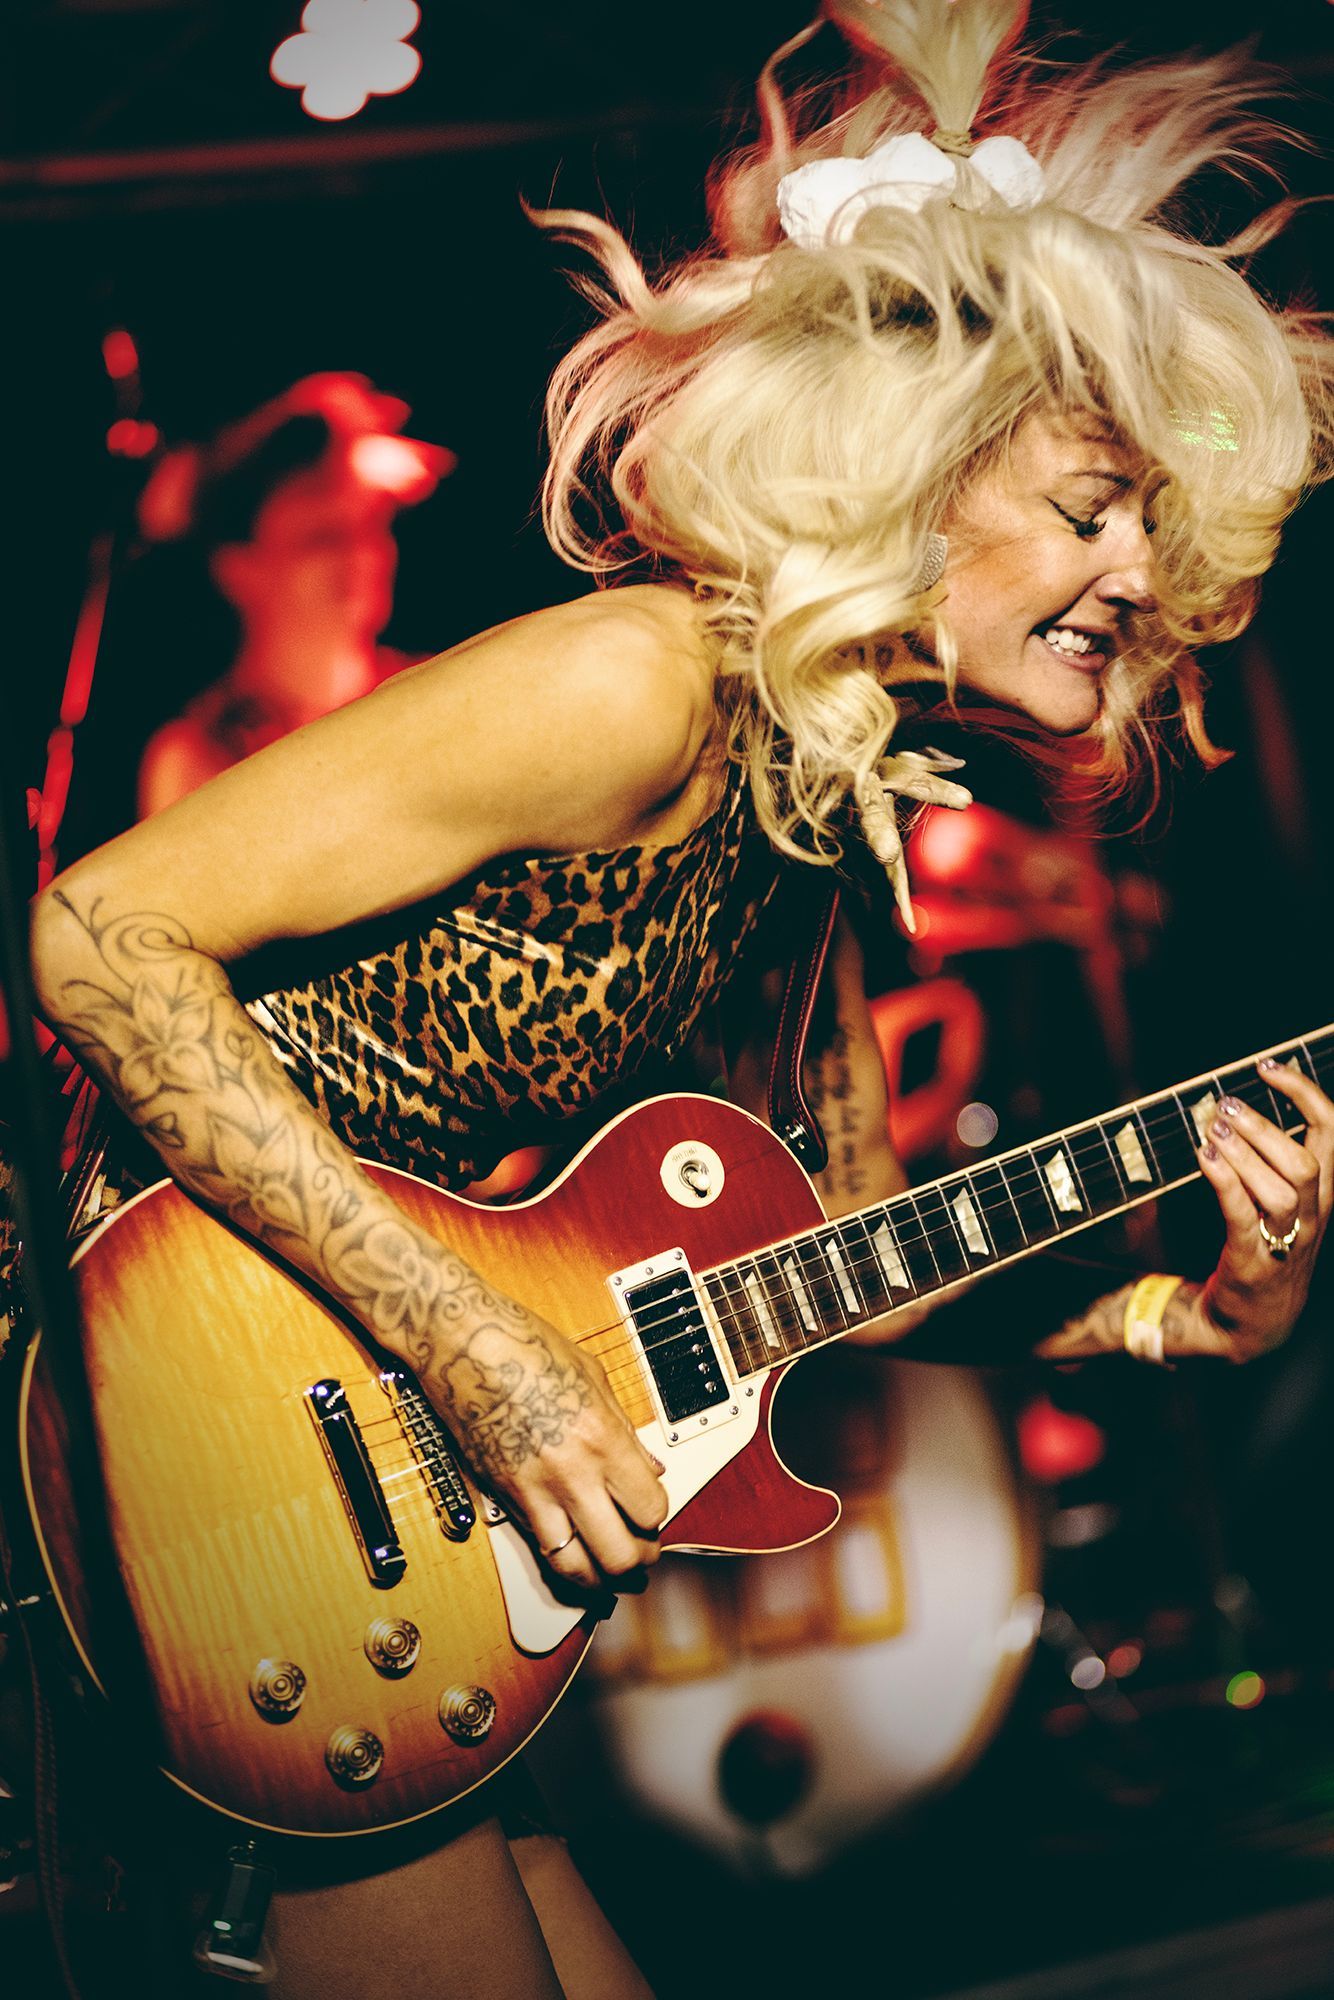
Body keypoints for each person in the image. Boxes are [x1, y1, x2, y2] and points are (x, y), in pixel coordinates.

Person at [26, 2, 1334, 1993]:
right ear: (907, 473)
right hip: (192, 1413)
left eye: (1159, 520)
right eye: (1089, 506)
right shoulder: (637, 679)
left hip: (385, 1505)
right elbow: (94, 938)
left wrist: (1178, 1310)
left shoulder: (822, 797)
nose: (1136, 573)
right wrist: (480, 1352)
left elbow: (860, 1263)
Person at [135, 371, 454, 817]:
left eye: (372, 524)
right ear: (238, 567)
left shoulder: (437, 699)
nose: (362, 554)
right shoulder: (197, 760)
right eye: (323, 537)